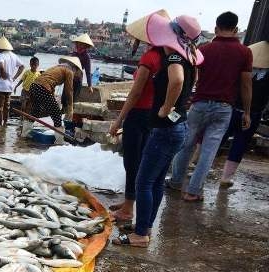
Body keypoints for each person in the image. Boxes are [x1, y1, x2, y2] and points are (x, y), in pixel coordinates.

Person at [113, 14, 202, 248]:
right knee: (157, 181)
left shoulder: (173, 56)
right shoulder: (189, 56)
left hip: (166, 129)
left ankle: (140, 235)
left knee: (143, 181)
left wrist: (165, 108)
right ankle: (145, 226)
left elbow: (177, 81)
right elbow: (188, 85)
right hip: (178, 127)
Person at [168, 11, 253, 202]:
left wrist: (187, 98)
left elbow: (191, 77)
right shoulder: (245, 52)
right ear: (236, 29)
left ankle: (175, 182)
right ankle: (193, 191)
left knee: (186, 145)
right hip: (224, 108)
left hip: (199, 104)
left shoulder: (204, 49)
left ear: (216, 28)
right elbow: (246, 84)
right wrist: (246, 111)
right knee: (208, 151)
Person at [108, 10, 168, 222]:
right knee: (142, 161)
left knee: (132, 162)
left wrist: (118, 120)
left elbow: (135, 93)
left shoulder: (150, 57)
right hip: (154, 116)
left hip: (139, 115)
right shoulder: (169, 57)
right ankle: (128, 202)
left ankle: (127, 210)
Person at [220, 40, 269, 187]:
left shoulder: (241, 70)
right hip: (252, 114)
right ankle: (226, 178)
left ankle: (199, 167)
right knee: (240, 144)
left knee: (218, 139)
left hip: (231, 109)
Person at [28, 56, 81, 131]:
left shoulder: (57, 67)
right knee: (57, 114)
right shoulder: (69, 71)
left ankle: (25, 133)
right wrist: (70, 106)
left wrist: (52, 98)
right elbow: (69, 90)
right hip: (42, 88)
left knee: (35, 111)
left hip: (33, 86)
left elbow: (49, 83)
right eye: (76, 72)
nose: (74, 74)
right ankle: (59, 139)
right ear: (74, 68)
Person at [0, 36, 24, 127]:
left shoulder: (1, 56)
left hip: (1, 86)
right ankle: (5, 124)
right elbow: (22, 66)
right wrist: (14, 78)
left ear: (1, 47)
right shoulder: (14, 56)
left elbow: (0, 65)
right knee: (7, 107)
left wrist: (3, 73)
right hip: (10, 86)